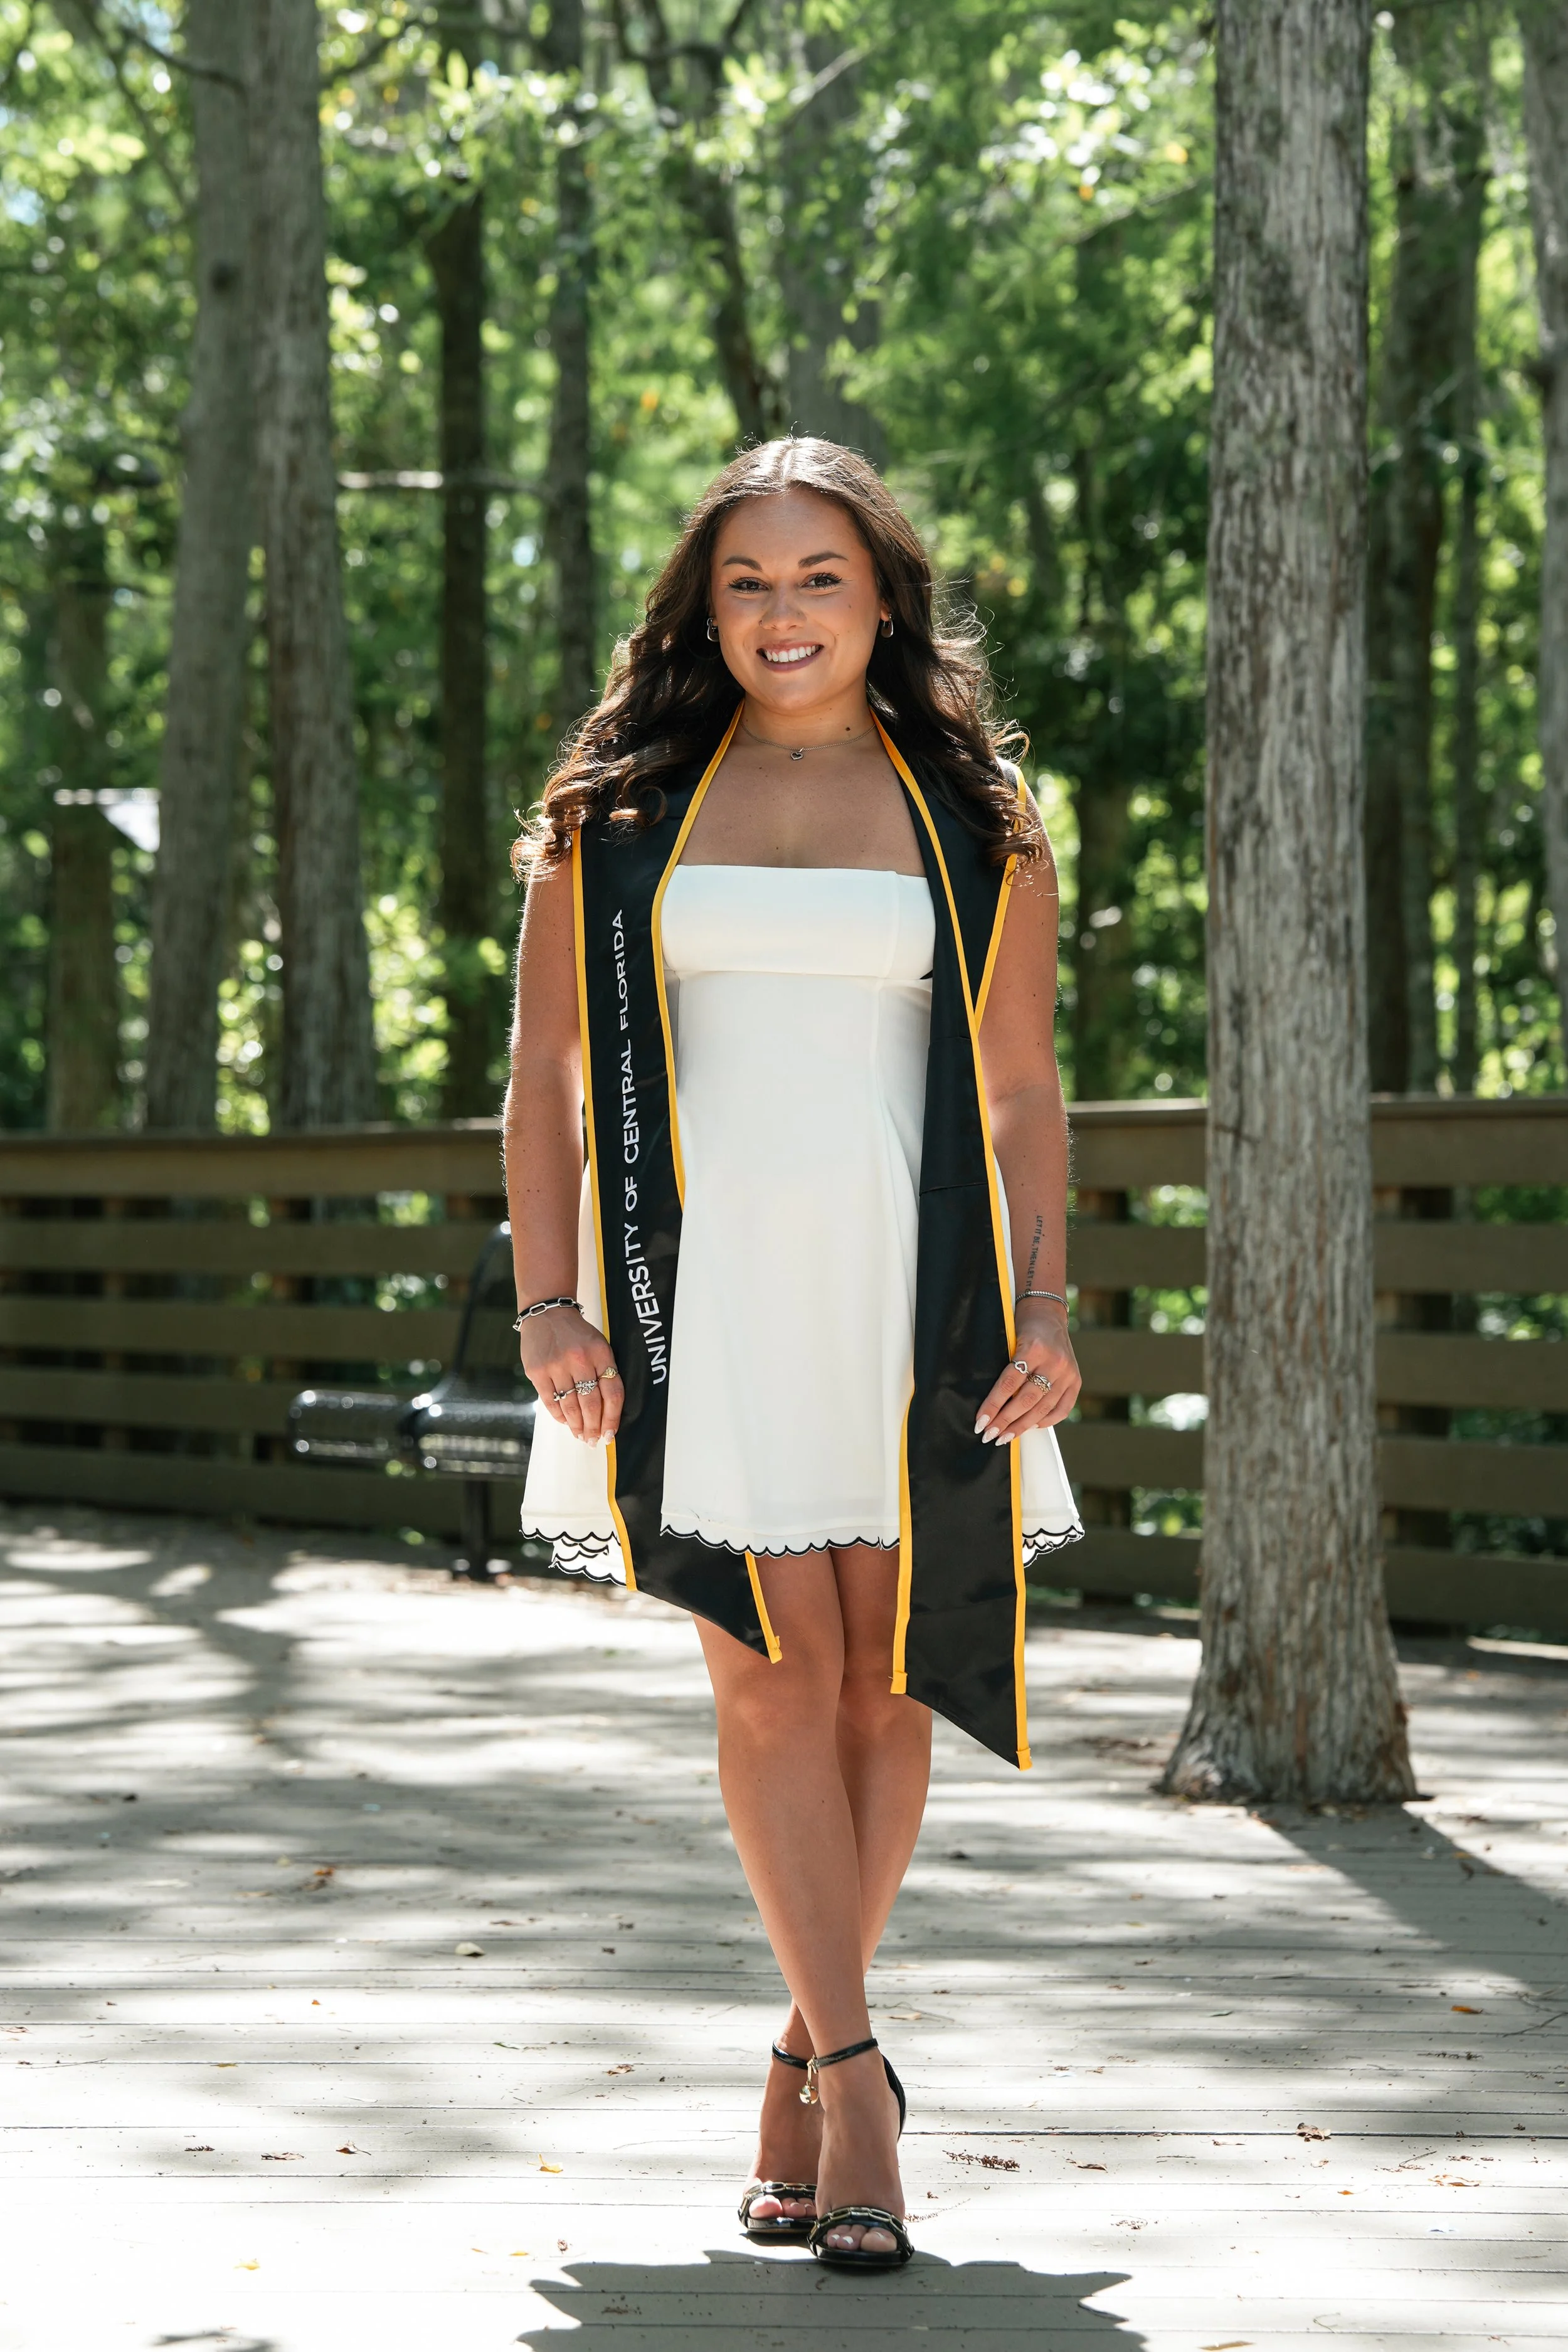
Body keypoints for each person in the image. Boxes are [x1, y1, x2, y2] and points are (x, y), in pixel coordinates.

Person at [504, 437, 1083, 2271]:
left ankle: (793, 2058)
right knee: (769, 1674)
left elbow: (1016, 1089)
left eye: (817, 576)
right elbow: (537, 1085)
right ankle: (855, 2086)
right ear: (702, 605)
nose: (781, 611)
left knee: (882, 1686)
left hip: (913, 1292)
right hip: (704, 1296)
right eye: (746, 580)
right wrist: (545, 1297)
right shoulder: (618, 818)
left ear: (883, 599)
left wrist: (1052, 1304)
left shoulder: (973, 820)